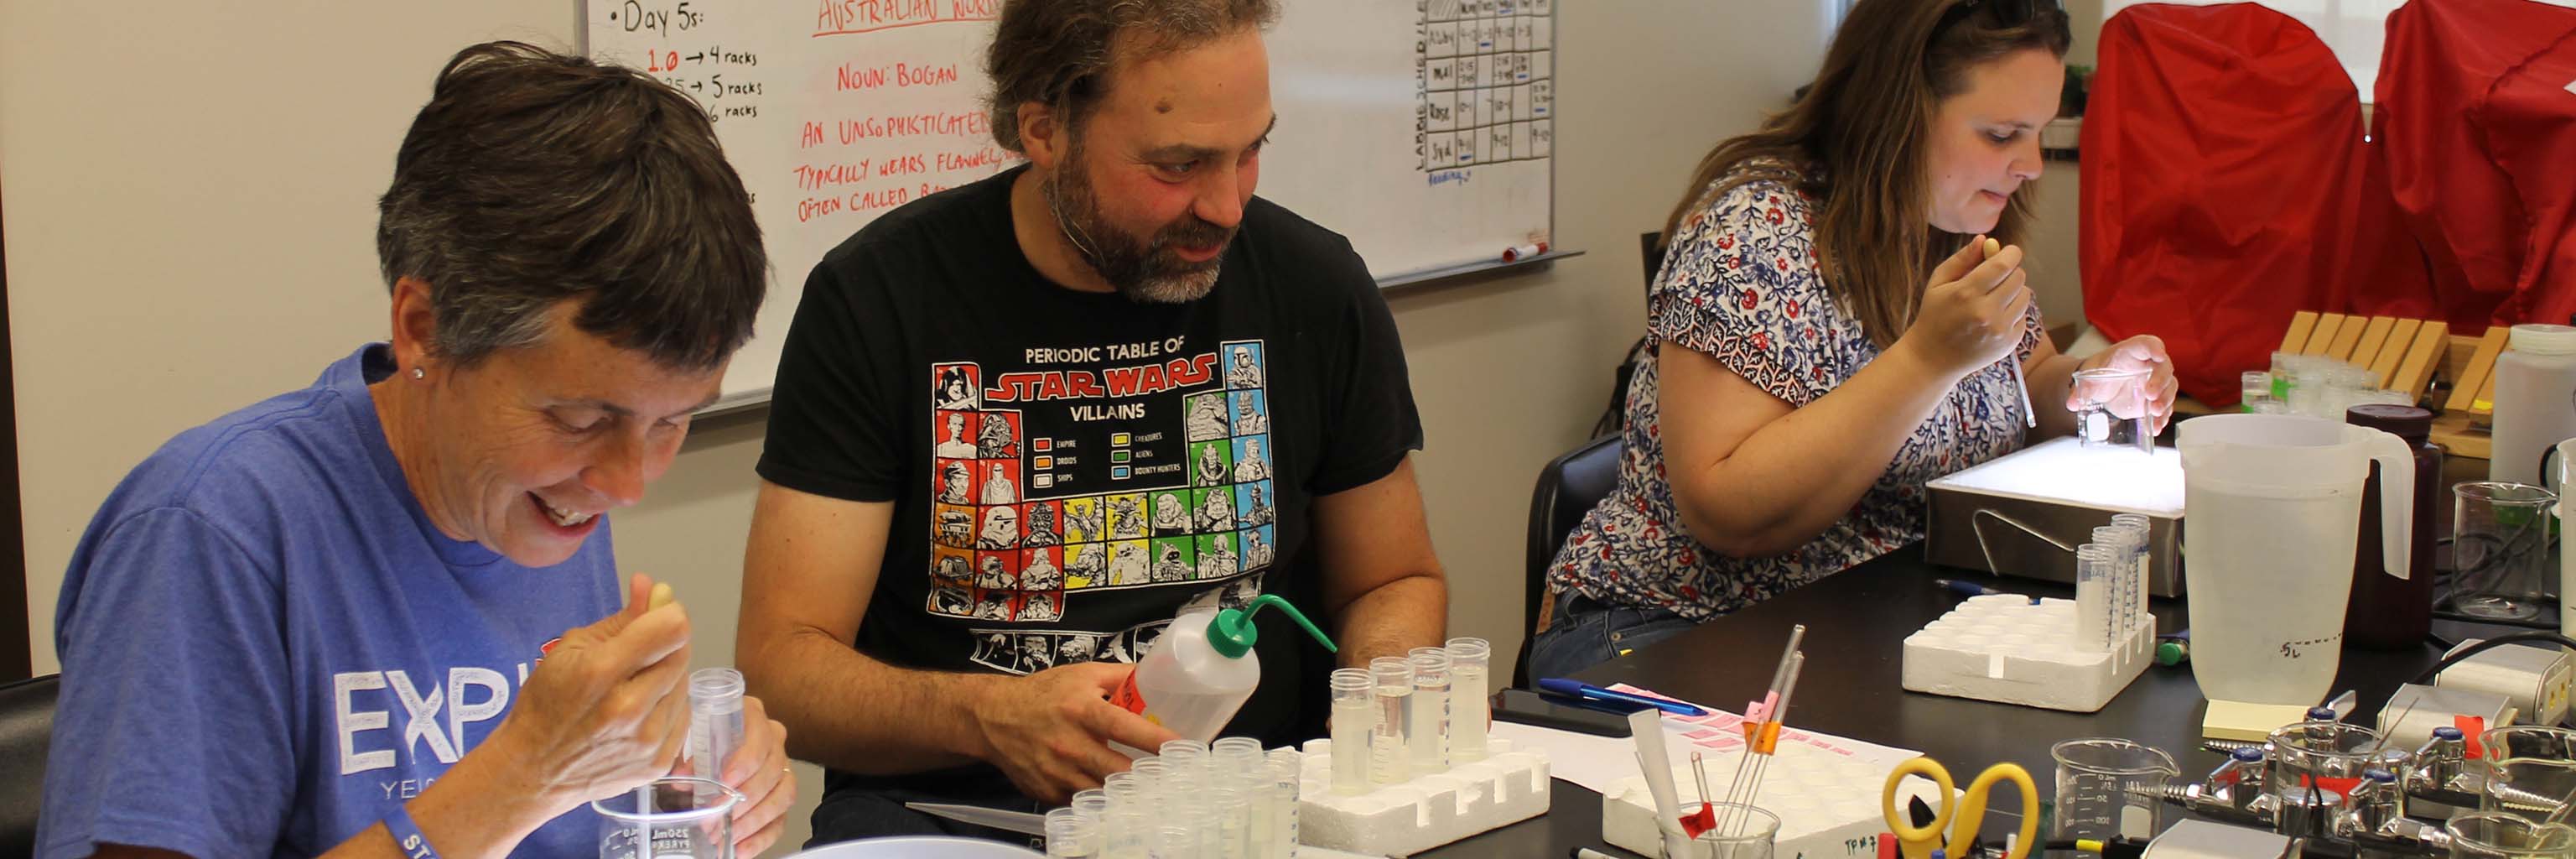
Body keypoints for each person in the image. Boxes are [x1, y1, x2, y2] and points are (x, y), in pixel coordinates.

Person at [36, 42, 794, 859]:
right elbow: (515, 791)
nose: (628, 482)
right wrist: (516, 780)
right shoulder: (209, 534)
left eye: (671, 423)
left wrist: (675, 777)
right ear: (422, 330)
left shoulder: (548, 498)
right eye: (580, 418)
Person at [736, 0, 1448, 842]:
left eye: (1250, 151)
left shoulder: (1313, 286)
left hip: (1245, 808)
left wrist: (1373, 723)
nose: (1226, 206)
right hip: (957, 813)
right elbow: (782, 669)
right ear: (1045, 130)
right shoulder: (879, 300)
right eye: (1179, 165)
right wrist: (988, 717)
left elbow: (1393, 582)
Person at [1531, 0, 2178, 679]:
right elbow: (1729, 512)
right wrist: (1927, 359)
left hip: (1867, 620)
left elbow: (2027, 377)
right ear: (1898, 111)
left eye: (2039, 133)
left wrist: (2095, 384)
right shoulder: (1752, 234)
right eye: (2000, 134)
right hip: (1678, 628)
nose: (2032, 165)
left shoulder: (1950, 218)